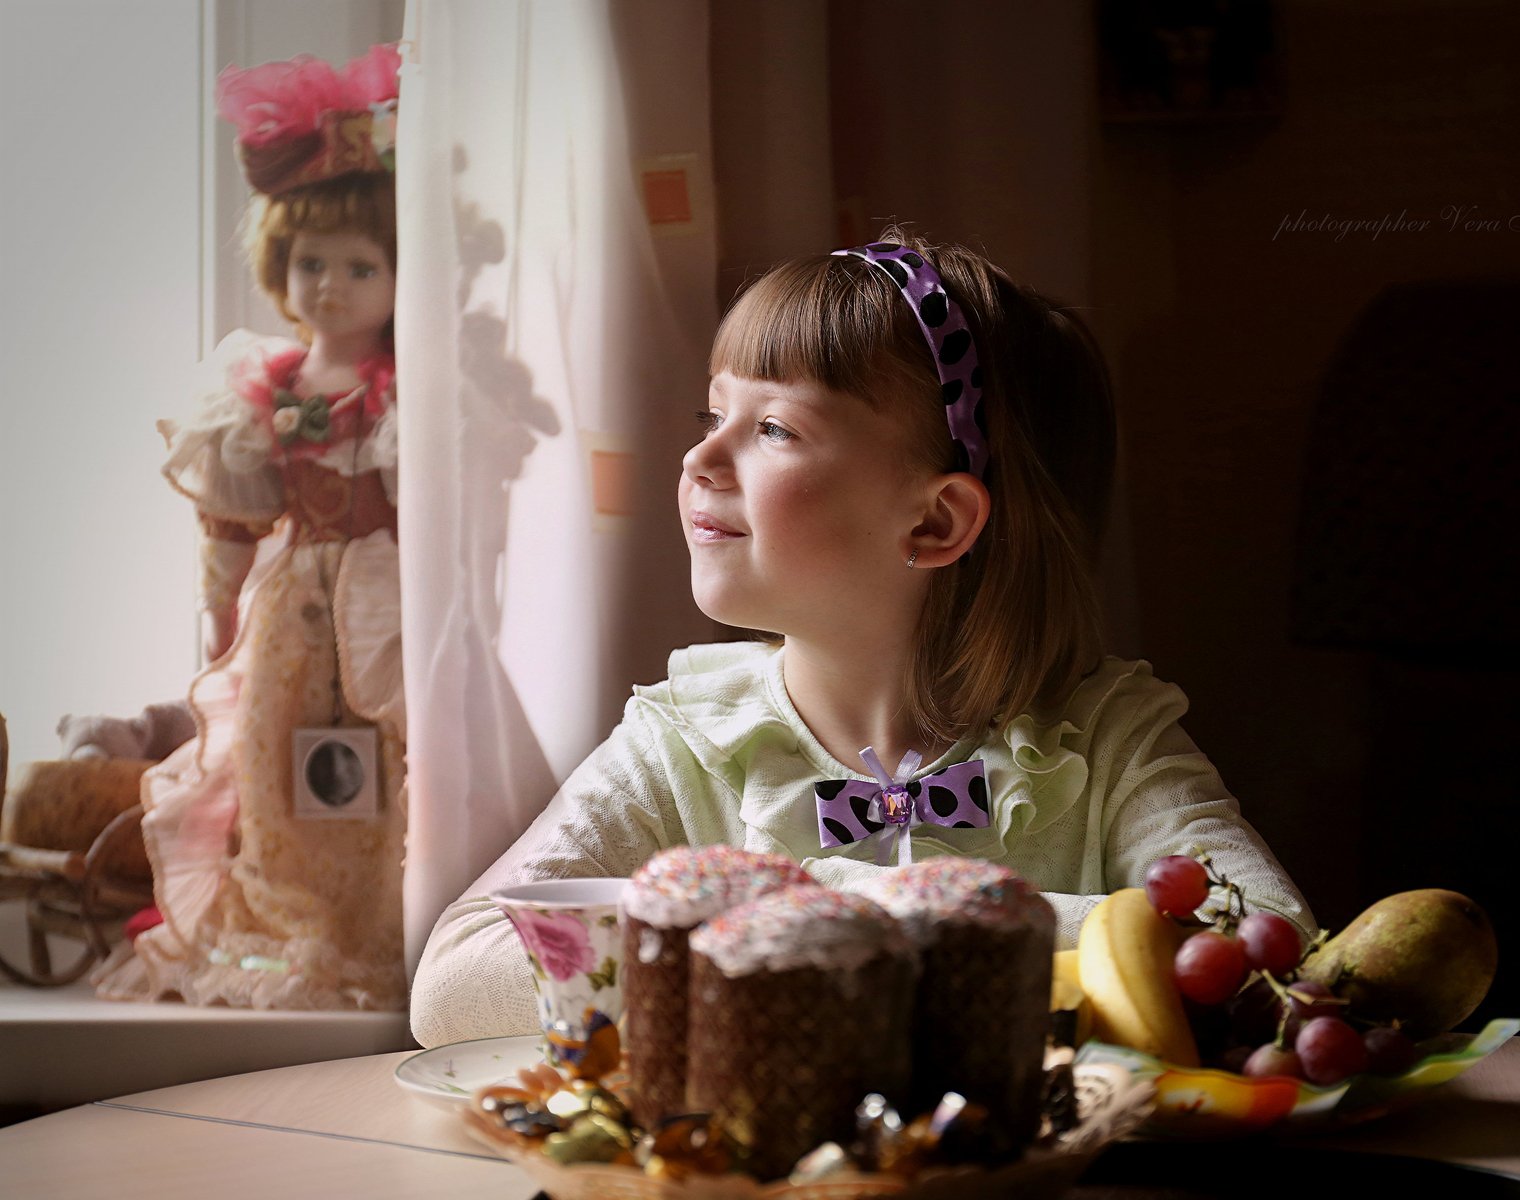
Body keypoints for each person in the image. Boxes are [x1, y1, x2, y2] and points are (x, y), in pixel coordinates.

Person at [410, 231, 1312, 1046]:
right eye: (711, 417)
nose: (699, 460)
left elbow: (1276, 958)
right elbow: (453, 982)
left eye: (772, 428)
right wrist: (780, 945)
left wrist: (867, 910)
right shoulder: (687, 740)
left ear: (935, 522)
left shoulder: (1107, 738)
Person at [92, 46, 407, 1011]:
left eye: (360, 267)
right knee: (273, 767)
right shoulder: (257, 389)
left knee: (385, 769)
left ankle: (367, 935)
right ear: (281, 265)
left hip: (383, 606)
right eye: (311, 264)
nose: (331, 287)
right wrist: (220, 601)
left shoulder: (407, 394)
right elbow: (234, 514)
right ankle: (283, 930)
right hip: (291, 611)